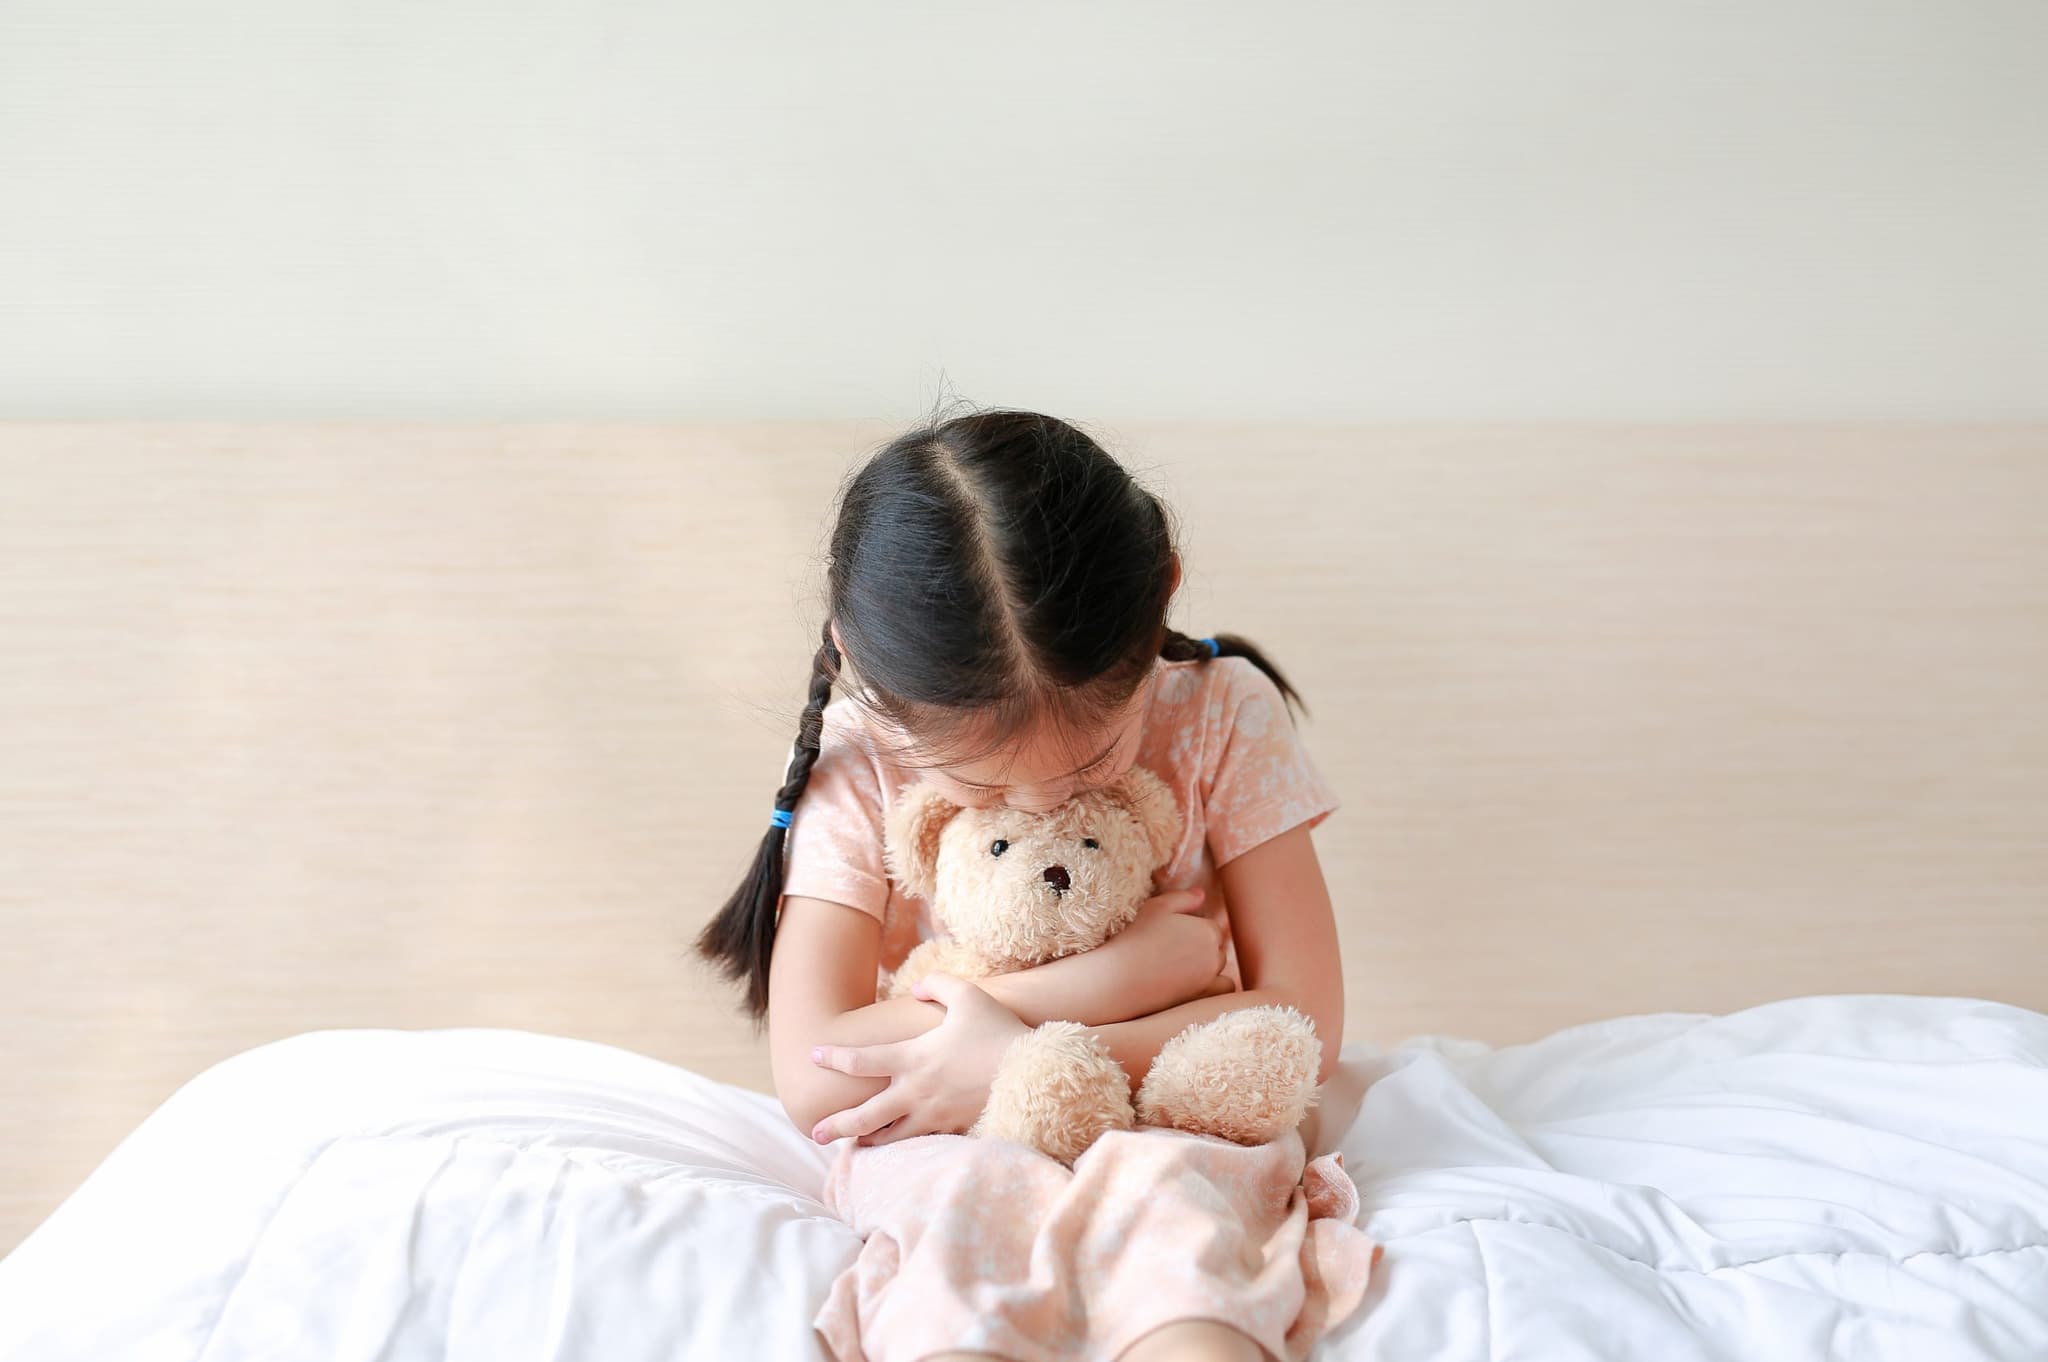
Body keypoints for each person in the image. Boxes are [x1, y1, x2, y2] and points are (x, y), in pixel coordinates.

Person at [697, 406, 1375, 1362]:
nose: (1040, 802)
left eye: (1096, 768)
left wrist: (1010, 1042)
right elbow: (816, 1070)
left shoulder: (1223, 713)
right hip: (950, 1127)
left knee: (1177, 1216)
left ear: (1162, 595)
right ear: (851, 652)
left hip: (1170, 1111)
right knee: (964, 1226)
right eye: (976, 786)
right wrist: (1092, 992)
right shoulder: (857, 761)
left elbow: (1308, 1018)